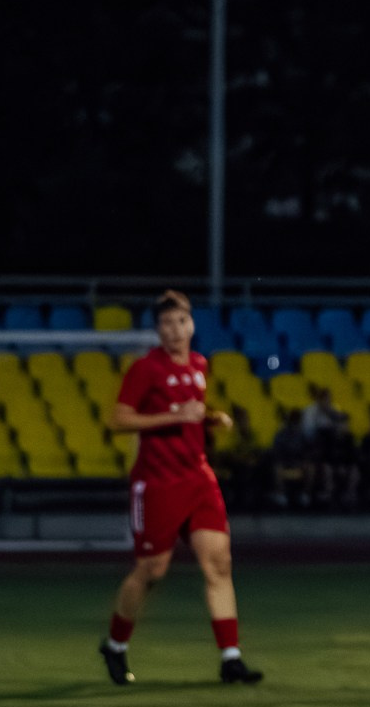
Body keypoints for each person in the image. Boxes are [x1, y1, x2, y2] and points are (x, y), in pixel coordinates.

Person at [98, 290, 261, 686]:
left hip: (198, 478)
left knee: (219, 564)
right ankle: (115, 645)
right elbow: (119, 420)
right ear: (158, 330)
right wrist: (174, 416)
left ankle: (231, 658)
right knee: (152, 570)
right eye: (166, 323)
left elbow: (189, 413)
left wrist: (210, 418)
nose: (175, 329)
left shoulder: (199, 364)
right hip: (157, 481)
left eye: (181, 321)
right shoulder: (146, 369)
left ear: (191, 324)